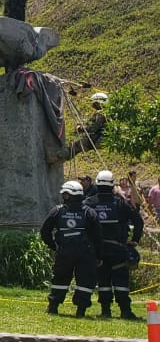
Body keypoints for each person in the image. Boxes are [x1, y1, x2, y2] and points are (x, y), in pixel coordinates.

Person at [85, 171, 144, 319]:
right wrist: (135, 240)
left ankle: (105, 311)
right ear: (112, 184)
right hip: (118, 249)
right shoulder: (120, 203)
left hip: (98, 250)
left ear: (97, 184)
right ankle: (125, 311)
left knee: (103, 280)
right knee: (121, 281)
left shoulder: (89, 203)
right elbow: (138, 221)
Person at [41, 181, 102, 317]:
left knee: (60, 279)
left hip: (64, 252)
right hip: (86, 253)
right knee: (85, 282)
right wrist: (98, 255)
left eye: (65, 194)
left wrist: (54, 246)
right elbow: (98, 236)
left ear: (69, 195)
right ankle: (81, 311)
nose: (63, 196)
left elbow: (45, 231)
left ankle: (53, 306)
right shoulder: (89, 213)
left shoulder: (57, 211)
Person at [61, 92, 108, 160]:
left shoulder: (101, 114)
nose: (94, 106)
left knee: (77, 145)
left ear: (99, 103)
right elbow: (92, 123)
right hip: (100, 138)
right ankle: (65, 156)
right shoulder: (106, 112)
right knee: (77, 145)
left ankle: (59, 156)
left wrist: (81, 129)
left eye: (95, 104)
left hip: (99, 139)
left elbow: (93, 128)